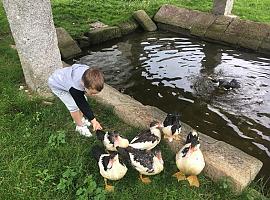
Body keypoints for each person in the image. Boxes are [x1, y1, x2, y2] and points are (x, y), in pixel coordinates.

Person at [48, 63, 104, 137]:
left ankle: (80, 119)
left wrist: (92, 119)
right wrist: (93, 120)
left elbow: (82, 100)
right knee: (73, 106)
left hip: (65, 79)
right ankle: (79, 126)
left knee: (84, 99)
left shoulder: (88, 74)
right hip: (57, 84)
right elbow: (81, 103)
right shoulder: (75, 87)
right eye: (92, 93)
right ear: (84, 85)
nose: (93, 95)